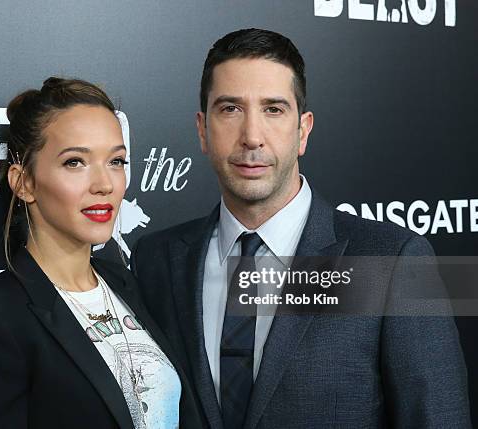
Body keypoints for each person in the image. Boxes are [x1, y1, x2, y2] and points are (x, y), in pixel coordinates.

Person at [130, 29, 471, 428]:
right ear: (202, 130)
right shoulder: (157, 260)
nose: (251, 136)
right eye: (230, 109)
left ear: (303, 130)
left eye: (273, 109)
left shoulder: (390, 262)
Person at [0, 77, 202, 429]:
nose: (104, 184)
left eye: (116, 161)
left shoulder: (125, 282)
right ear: (24, 182)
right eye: (75, 162)